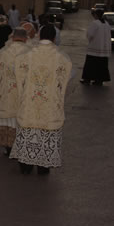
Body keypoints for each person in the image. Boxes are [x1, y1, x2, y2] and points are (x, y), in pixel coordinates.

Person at [10, 25, 72, 175]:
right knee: (47, 134)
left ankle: (26, 166)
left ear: (38, 36)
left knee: (28, 132)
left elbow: (17, 74)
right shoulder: (62, 58)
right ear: (54, 38)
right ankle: (43, 167)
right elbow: (66, 79)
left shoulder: (26, 55)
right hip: (49, 107)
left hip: (30, 104)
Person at [0, 27, 30, 156]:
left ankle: (8, 148)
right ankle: (20, 148)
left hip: (6, 93)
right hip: (21, 94)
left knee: (7, 119)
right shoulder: (29, 52)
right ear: (26, 39)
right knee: (19, 119)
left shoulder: (3, 52)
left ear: (13, 37)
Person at [80, 9, 111, 86]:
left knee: (91, 65)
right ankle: (99, 80)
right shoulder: (107, 24)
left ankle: (87, 79)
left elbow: (90, 34)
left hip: (95, 48)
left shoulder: (95, 23)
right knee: (101, 66)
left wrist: (90, 40)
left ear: (96, 15)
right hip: (104, 49)